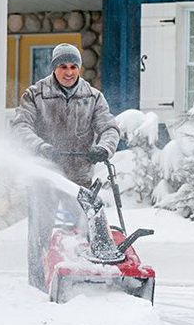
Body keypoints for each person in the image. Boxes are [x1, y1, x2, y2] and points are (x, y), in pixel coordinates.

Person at [11, 43, 120, 292]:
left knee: (87, 230)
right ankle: (39, 285)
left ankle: (86, 280)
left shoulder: (93, 98)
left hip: (79, 178)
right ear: (54, 68)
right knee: (41, 234)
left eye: (73, 67)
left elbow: (109, 128)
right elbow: (20, 127)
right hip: (45, 177)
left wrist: (104, 148)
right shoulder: (36, 95)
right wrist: (40, 147)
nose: (69, 72)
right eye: (63, 66)